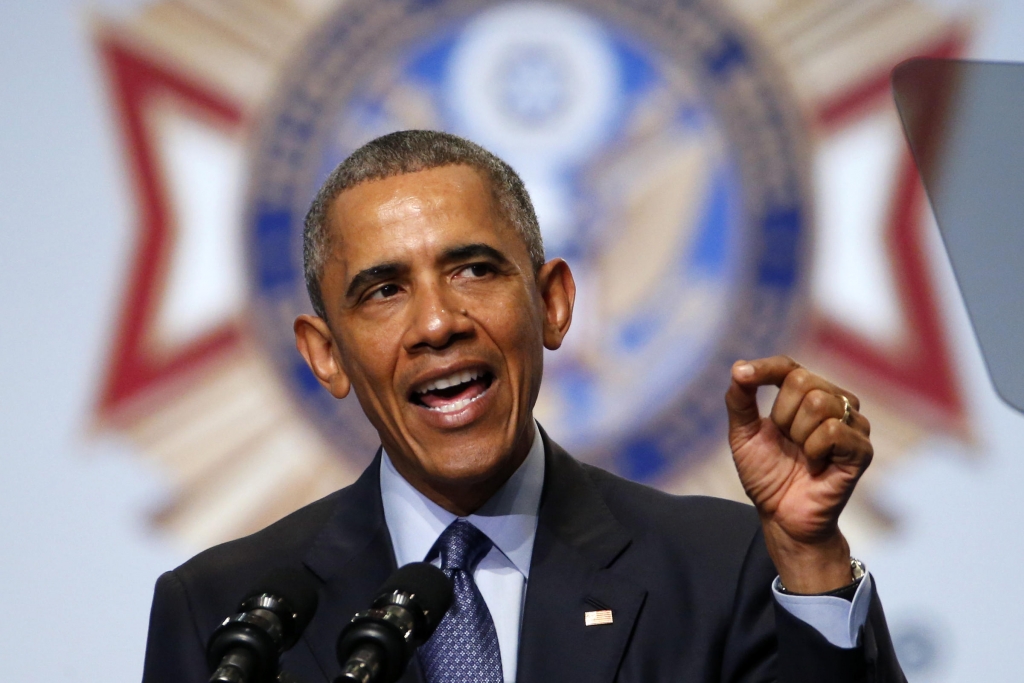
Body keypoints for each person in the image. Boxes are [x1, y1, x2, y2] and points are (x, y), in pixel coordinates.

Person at [142, 130, 904, 682]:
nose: (438, 323)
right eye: (383, 291)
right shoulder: (223, 613)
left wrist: (809, 561)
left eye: (474, 269)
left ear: (553, 303)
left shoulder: (724, 568)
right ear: (326, 353)